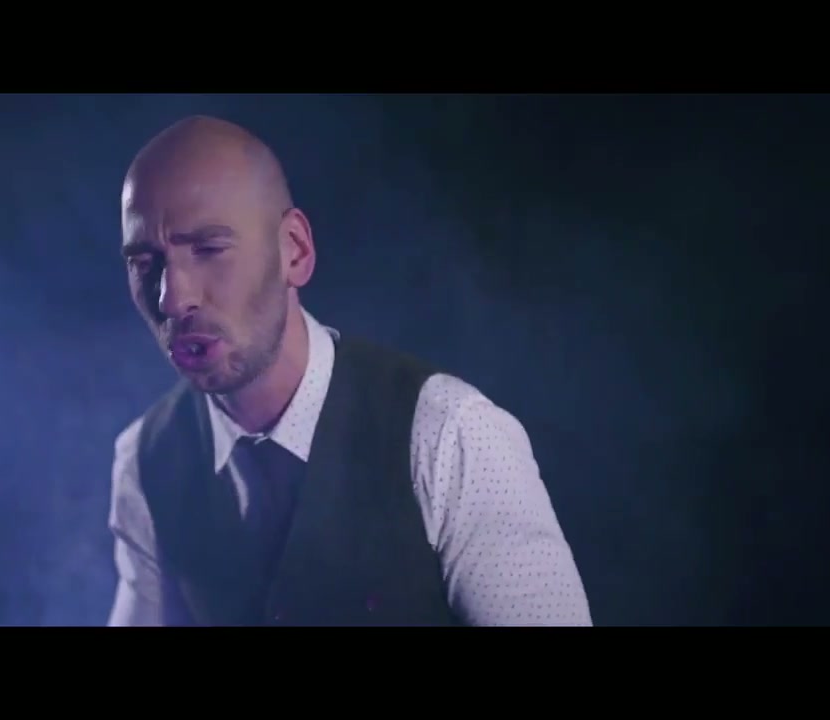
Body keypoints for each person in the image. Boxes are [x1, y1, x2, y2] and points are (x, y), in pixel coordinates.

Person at [107, 115, 592, 626]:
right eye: (144, 263)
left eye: (209, 249)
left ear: (295, 251)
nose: (173, 298)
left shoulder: (451, 436)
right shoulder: (147, 460)